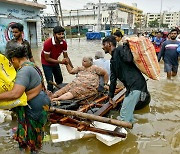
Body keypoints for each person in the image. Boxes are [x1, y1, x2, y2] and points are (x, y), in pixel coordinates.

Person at [1, 46, 51, 153]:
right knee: (34, 137)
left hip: (34, 108)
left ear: (13, 59)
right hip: (40, 102)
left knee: (30, 141)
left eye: (10, 63)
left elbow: (15, 93)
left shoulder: (24, 70)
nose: (10, 66)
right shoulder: (32, 65)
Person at [102, 36, 150, 123]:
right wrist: (110, 97)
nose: (102, 47)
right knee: (128, 114)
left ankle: (123, 134)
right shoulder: (112, 61)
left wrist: (125, 45)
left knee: (123, 115)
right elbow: (113, 80)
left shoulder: (120, 49)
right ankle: (132, 132)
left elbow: (128, 59)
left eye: (103, 44)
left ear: (109, 44)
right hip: (130, 88)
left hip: (136, 85)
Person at [41, 26, 72, 92]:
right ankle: (50, 96)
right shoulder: (47, 43)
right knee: (50, 82)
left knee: (60, 80)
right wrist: (61, 62)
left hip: (55, 62)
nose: (61, 36)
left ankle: (59, 93)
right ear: (54, 34)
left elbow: (66, 57)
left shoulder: (63, 43)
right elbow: (47, 58)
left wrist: (72, 68)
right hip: (46, 63)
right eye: (59, 34)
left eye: (62, 34)